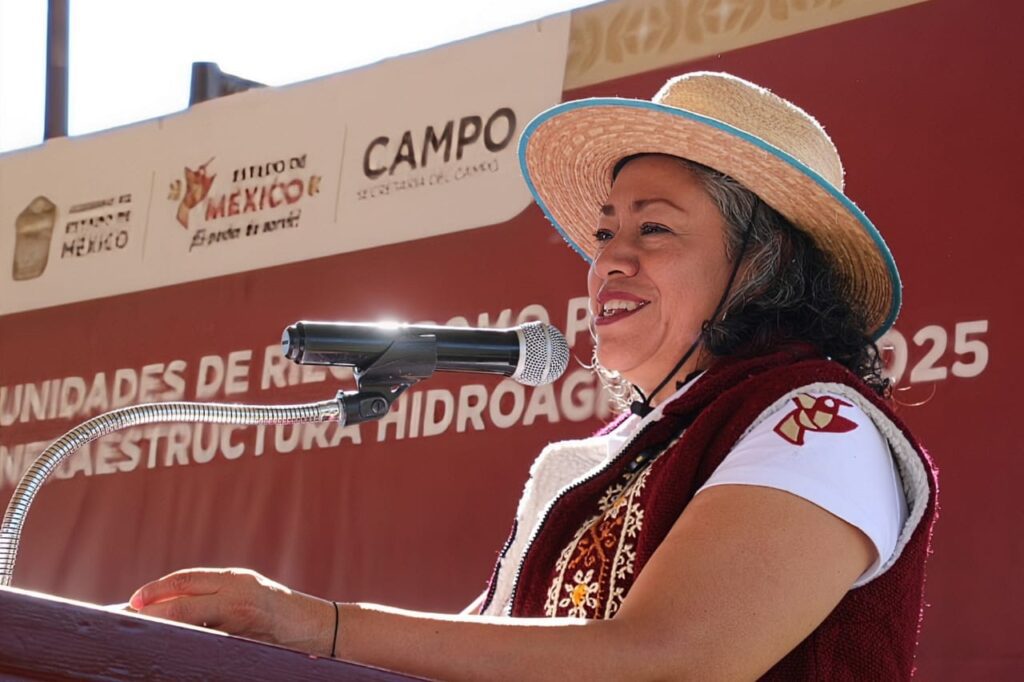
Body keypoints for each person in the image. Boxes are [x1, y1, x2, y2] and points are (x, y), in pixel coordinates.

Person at [129, 72, 937, 680]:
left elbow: (674, 659)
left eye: (654, 229)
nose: (609, 259)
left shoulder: (819, 421)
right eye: (605, 233)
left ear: (766, 263)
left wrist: (310, 623)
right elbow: (485, 652)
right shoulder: (613, 455)